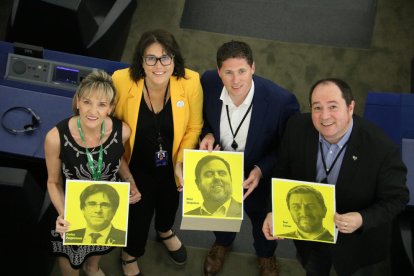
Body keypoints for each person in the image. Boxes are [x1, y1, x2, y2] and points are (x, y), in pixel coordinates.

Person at [262, 78, 409, 276]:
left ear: (350, 107)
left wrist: (362, 219)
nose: (324, 116)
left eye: (333, 107)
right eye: (317, 107)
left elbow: (398, 198)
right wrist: (275, 211)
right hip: (310, 238)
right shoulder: (296, 127)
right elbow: (281, 172)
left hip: (356, 245)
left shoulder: (380, 148)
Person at [199, 40, 300, 276]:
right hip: (220, 173)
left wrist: (260, 170)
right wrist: (207, 133)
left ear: (253, 67)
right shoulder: (207, 83)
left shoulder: (281, 101)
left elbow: (287, 147)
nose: (236, 81)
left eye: (242, 71)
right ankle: (222, 244)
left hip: (258, 178)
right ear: (219, 72)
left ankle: (266, 256)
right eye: (229, 72)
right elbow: (200, 117)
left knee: (260, 221)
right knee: (220, 216)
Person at [112, 29, 203, 275]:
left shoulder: (190, 82)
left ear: (174, 59)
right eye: (150, 58)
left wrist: (180, 162)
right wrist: (125, 173)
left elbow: (194, 126)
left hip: (172, 163)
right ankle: (129, 253)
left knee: (169, 203)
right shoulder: (121, 81)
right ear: (141, 61)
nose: (159, 65)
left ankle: (164, 230)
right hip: (136, 165)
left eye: (165, 57)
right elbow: (109, 128)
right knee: (138, 216)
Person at [45, 70, 141, 276]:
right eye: (87, 102)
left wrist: (129, 179)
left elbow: (119, 158)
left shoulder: (122, 131)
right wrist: (63, 213)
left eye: (102, 105)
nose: (93, 111)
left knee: (98, 247)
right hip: (71, 209)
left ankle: (92, 267)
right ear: (77, 101)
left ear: (111, 108)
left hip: (106, 206)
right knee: (70, 266)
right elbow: (53, 182)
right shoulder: (55, 138)